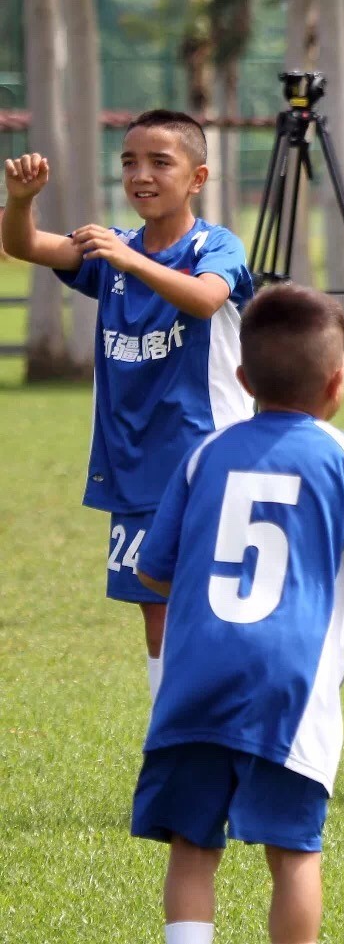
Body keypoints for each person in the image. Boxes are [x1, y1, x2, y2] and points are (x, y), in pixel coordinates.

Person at [130, 283, 344, 944]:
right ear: (338, 381)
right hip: (289, 692)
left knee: (190, 843)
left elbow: (153, 569)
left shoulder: (204, 454)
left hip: (193, 682)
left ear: (242, 378)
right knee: (293, 852)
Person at [2, 110, 254, 699]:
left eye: (160, 162)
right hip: (135, 462)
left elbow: (204, 298)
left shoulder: (213, 244)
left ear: (197, 178)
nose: (141, 175)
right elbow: (24, 245)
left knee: (219, 603)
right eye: (129, 162)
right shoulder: (114, 250)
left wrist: (130, 260)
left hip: (209, 457)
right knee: (156, 609)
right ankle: (172, 735)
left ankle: (235, 725)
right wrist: (20, 202)